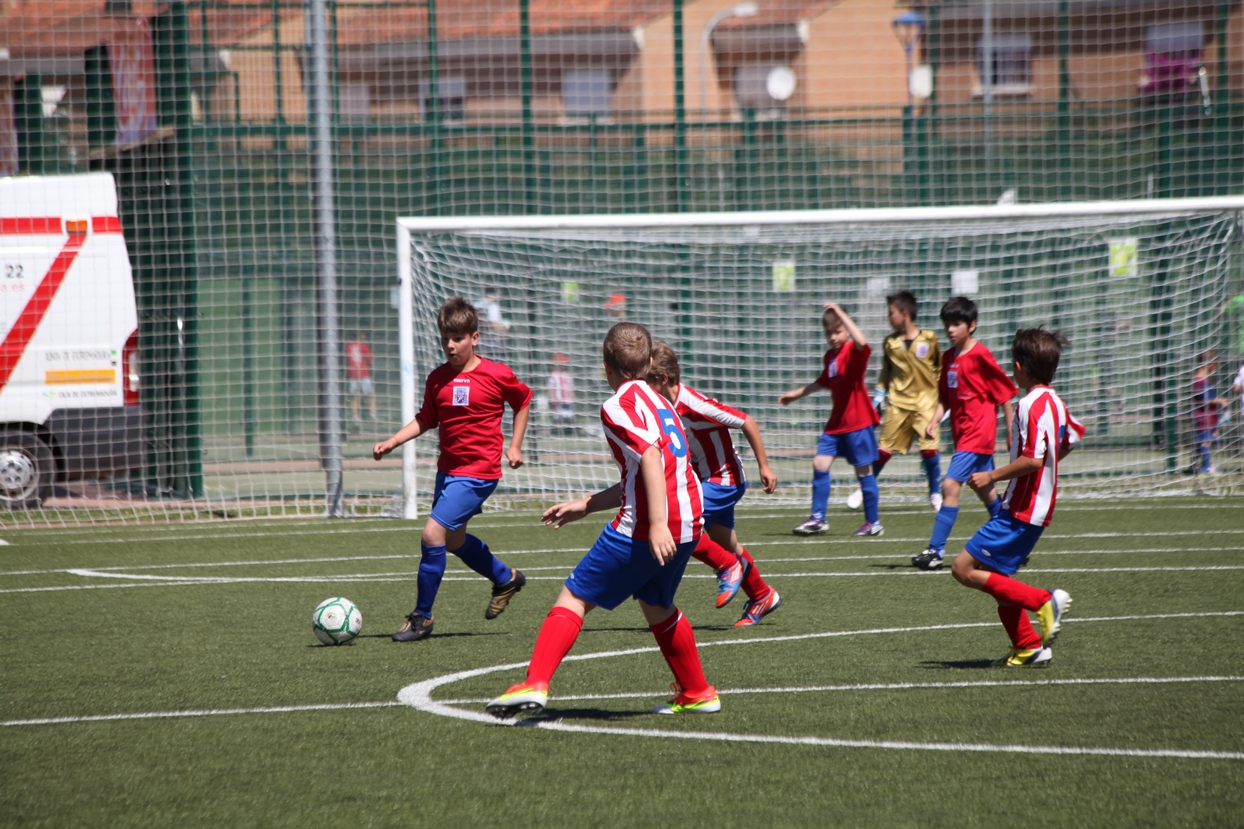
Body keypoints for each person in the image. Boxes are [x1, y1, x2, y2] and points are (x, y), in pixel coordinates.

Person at [486, 322, 719, 719]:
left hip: (649, 527)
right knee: (656, 603)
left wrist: (657, 524)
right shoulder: (662, 400)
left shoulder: (616, 406)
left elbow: (649, 456)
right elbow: (645, 472)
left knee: (574, 596)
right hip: (691, 519)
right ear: (648, 364)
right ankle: (697, 691)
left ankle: (535, 682)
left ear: (606, 367)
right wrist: (587, 504)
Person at [372, 296, 531, 642]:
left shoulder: (496, 374)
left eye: (457, 338)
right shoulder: (438, 379)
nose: (450, 345)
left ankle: (422, 618)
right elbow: (426, 419)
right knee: (454, 539)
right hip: (449, 472)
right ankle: (505, 578)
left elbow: (523, 401)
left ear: (474, 338)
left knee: (432, 536)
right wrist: (393, 442)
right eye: (445, 338)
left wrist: (515, 445)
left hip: (479, 472)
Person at [948, 327, 1078, 668]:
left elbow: (1033, 458)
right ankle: (1029, 647)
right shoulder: (1056, 402)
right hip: (1038, 504)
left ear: (1020, 367)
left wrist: (990, 475)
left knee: (963, 568)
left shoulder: (1028, 406)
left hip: (1022, 507)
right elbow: (1069, 441)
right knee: (997, 578)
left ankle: (1043, 601)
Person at [646, 340, 781, 626]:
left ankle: (727, 567)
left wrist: (764, 466)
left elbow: (747, 421)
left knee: (678, 524)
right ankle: (762, 595)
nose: (644, 387)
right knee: (726, 543)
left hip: (724, 480)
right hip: (704, 480)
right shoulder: (662, 405)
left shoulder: (692, 404)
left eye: (648, 380)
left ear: (664, 379)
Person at [911, 297, 1017, 570]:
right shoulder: (947, 358)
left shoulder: (980, 355)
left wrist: (1010, 430)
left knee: (949, 486)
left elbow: (1005, 394)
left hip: (978, 435)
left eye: (956, 324)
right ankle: (1013, 544)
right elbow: (944, 398)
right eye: (947, 324)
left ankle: (935, 550)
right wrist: (934, 420)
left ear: (972, 326)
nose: (950, 329)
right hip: (964, 437)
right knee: (985, 491)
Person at [779, 302, 884, 537]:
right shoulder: (830, 357)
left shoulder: (854, 352)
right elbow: (822, 382)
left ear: (846, 329)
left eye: (838, 332)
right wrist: (796, 394)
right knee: (819, 464)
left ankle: (873, 522)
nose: (833, 337)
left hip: (858, 423)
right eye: (829, 333)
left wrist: (840, 313)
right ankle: (818, 518)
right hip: (837, 424)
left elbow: (862, 342)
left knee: (864, 473)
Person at [846, 291, 943, 513]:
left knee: (929, 449)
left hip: (925, 405)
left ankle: (935, 492)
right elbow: (885, 373)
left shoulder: (929, 338)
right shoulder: (890, 343)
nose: (888, 318)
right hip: (898, 404)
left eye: (891, 313)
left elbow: (939, 369)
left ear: (904, 314)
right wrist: (878, 397)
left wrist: (941, 399)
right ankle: (865, 489)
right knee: (883, 449)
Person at [1192, 350, 1228, 477]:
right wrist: (1219, 401)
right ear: (1210, 364)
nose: (1216, 368)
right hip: (1205, 418)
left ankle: (1196, 465)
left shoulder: (1201, 380)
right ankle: (1205, 467)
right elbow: (1205, 398)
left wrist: (1218, 400)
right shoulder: (1201, 381)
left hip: (1207, 417)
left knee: (1203, 441)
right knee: (1205, 442)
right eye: (1215, 364)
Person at [345, 331, 377, 428]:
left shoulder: (348, 346)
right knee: (370, 395)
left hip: (352, 374)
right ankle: (373, 415)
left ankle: (356, 418)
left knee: (354, 397)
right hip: (364, 374)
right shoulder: (363, 346)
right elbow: (371, 360)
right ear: (359, 335)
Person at [547, 352, 576, 435]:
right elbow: (551, 388)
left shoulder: (567, 375)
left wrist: (572, 397)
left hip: (566, 400)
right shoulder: (553, 375)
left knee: (568, 415)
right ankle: (557, 432)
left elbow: (570, 387)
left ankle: (568, 431)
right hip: (558, 400)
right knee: (558, 416)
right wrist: (552, 397)